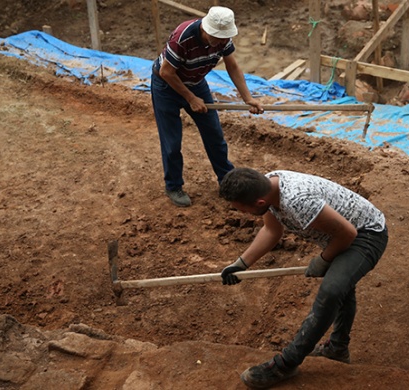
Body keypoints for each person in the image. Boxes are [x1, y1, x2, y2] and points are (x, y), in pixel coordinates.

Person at [219, 168, 388, 388]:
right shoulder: (268, 185)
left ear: (259, 203)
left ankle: (286, 363)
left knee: (332, 290)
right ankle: (337, 348)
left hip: (366, 234)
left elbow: (347, 234)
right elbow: (272, 231)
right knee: (341, 286)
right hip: (342, 233)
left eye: (241, 209)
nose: (240, 213)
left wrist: (324, 260)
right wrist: (241, 264)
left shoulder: (297, 202)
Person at [151, 6, 263, 207]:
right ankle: (174, 185)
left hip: (196, 83)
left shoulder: (223, 39)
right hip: (166, 87)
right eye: (217, 37)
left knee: (215, 136)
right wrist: (190, 98)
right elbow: (166, 73)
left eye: (223, 38)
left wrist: (248, 98)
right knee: (172, 143)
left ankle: (227, 182)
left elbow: (232, 66)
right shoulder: (182, 37)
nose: (221, 42)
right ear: (206, 29)